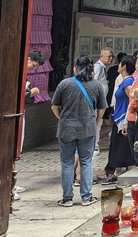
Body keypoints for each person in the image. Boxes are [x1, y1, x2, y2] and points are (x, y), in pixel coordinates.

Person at [51, 55, 108, 207]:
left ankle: (67, 198)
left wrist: (61, 119)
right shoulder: (96, 86)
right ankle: (86, 197)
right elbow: (102, 108)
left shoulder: (64, 84)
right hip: (87, 130)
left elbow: (54, 106)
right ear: (91, 69)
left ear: (75, 67)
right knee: (86, 162)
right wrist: (94, 123)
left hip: (66, 130)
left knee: (67, 162)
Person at [15, 50, 46, 200]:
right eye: (33, 65)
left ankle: (13, 183)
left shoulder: (24, 76)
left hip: (21, 113)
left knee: (17, 148)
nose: (33, 69)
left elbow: (26, 98)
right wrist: (28, 94)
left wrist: (30, 94)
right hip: (15, 115)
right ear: (27, 58)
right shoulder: (16, 73)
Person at [102, 55, 136, 184]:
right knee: (119, 146)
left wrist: (127, 121)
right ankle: (117, 173)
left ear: (124, 66)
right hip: (119, 119)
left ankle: (124, 174)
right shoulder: (124, 80)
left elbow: (132, 101)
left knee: (122, 147)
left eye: (120, 64)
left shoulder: (128, 83)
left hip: (124, 120)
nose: (118, 65)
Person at [92, 48, 114, 155]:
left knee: (98, 124)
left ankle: (95, 145)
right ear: (101, 57)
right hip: (96, 102)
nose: (110, 59)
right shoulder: (98, 67)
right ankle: (94, 146)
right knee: (96, 123)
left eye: (111, 57)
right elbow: (93, 82)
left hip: (101, 102)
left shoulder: (103, 68)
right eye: (108, 56)